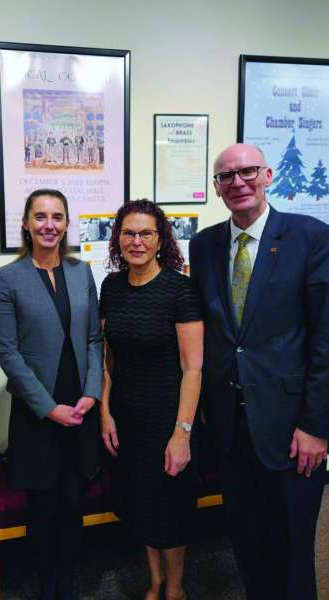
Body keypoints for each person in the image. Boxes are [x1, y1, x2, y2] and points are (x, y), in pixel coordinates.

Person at [189, 143, 329, 600]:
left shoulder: (310, 236)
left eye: (247, 171)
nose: (238, 182)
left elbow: (325, 338)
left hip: (291, 429)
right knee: (247, 546)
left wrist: (316, 425)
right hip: (230, 427)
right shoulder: (205, 244)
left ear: (268, 175)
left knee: (291, 551)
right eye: (226, 177)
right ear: (216, 188)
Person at [0, 188, 102, 600]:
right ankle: (47, 586)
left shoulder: (81, 271)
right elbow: (7, 351)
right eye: (40, 216)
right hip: (38, 410)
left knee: (73, 499)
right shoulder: (8, 278)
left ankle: (69, 582)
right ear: (26, 223)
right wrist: (47, 407)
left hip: (80, 405)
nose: (49, 225)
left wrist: (92, 393)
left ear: (67, 223)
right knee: (43, 502)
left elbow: (93, 338)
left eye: (57, 217)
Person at [100, 199, 203, 600]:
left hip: (169, 416)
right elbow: (107, 358)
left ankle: (174, 586)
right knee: (141, 502)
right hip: (127, 416)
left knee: (170, 507)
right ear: (118, 239)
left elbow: (193, 368)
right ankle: (155, 580)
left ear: (160, 239)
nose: (137, 241)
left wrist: (182, 434)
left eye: (145, 233)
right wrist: (105, 412)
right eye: (129, 233)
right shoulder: (111, 286)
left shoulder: (180, 288)